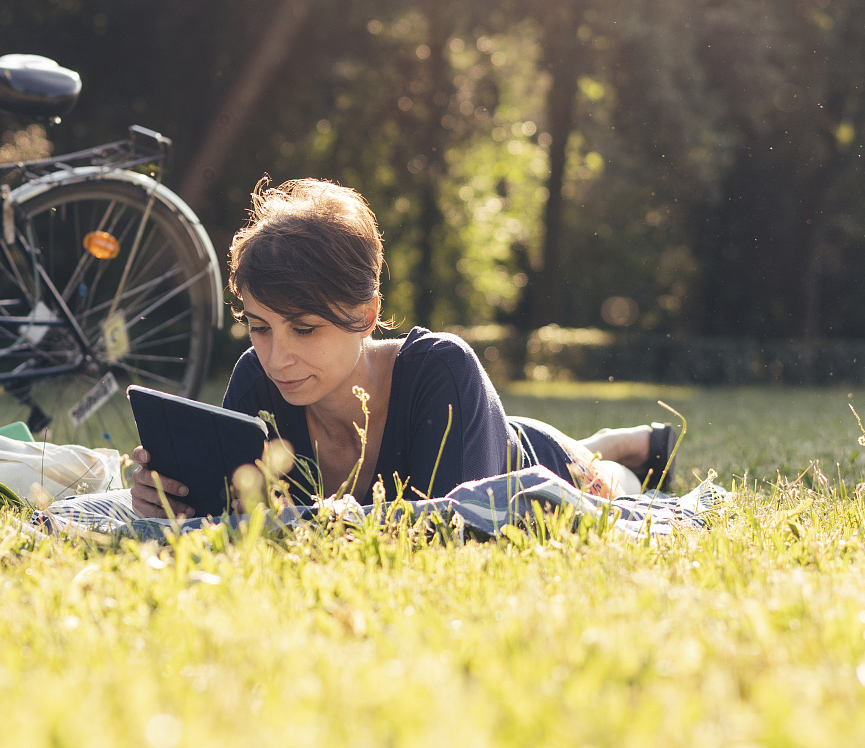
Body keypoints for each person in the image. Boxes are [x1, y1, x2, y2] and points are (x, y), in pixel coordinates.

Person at [130, 178, 679, 519]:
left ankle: (621, 445)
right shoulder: (256, 380)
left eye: (303, 329)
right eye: (258, 326)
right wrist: (170, 497)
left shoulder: (442, 368)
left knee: (611, 484)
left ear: (366, 316)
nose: (276, 359)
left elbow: (457, 526)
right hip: (481, 428)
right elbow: (234, 515)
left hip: (538, 460)